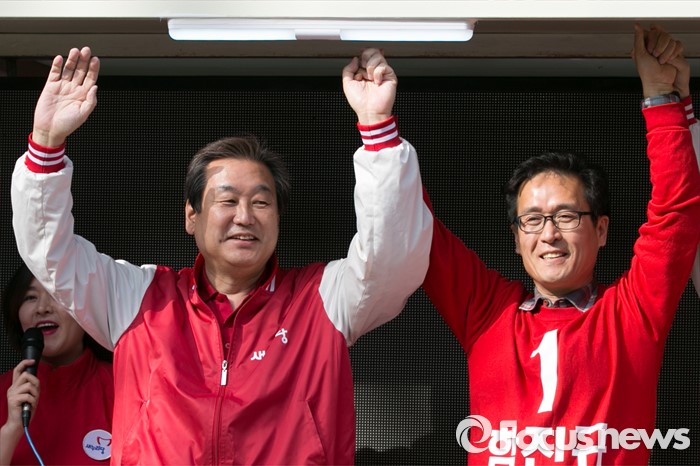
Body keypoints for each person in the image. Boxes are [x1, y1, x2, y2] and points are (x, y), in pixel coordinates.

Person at [11, 46, 432, 464]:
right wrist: (46, 143)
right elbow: (49, 252)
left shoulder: (323, 299)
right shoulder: (138, 299)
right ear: (191, 216)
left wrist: (378, 130)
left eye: (261, 203)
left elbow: (392, 257)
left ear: (279, 218)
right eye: (227, 201)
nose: (244, 217)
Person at [422, 25, 700, 465]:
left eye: (566, 217)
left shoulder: (631, 313)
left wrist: (662, 98)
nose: (548, 234)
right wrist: (377, 123)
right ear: (517, 239)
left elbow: (676, 214)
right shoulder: (486, 311)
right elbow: (416, 231)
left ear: (601, 230)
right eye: (532, 220)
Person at [0, 264, 114, 465]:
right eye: (30, 297)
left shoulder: (123, 387)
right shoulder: (3, 389)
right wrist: (11, 429)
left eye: (58, 294)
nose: (42, 308)